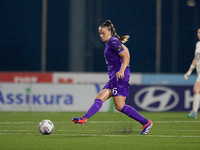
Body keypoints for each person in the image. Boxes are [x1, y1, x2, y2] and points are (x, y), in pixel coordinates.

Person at [71, 20, 153, 134]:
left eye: (103, 33)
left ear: (109, 32)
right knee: (99, 98)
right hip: (114, 78)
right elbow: (126, 53)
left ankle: (146, 122)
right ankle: (84, 118)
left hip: (119, 78)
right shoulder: (112, 42)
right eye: (100, 33)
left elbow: (125, 56)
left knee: (119, 106)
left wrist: (122, 70)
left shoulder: (113, 41)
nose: (101, 35)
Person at [184, 28, 200, 119]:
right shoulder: (198, 44)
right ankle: (194, 112)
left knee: (196, 89)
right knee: (196, 90)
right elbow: (195, 59)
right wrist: (189, 72)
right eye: (198, 32)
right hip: (199, 72)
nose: (199, 34)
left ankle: (194, 112)